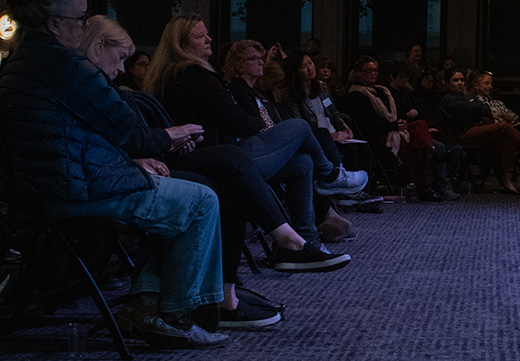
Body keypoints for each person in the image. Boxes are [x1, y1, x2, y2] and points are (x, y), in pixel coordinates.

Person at [78, 16, 355, 330]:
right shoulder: (187, 74)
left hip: (168, 156)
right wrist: (160, 144)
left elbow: (117, 137)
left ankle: (259, 267)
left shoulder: (106, 82)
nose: (124, 68)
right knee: (287, 136)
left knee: (290, 162)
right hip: (137, 170)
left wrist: (157, 146)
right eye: (200, 35)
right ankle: (306, 216)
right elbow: (233, 120)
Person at [0, 0, 230, 349]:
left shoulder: (20, 64)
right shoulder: (64, 67)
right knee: (202, 200)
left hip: (47, 186)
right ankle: (175, 314)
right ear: (55, 23)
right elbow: (129, 132)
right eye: (81, 18)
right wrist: (172, 135)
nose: (85, 25)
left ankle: (145, 304)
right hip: (77, 189)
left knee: (181, 197)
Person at [145, 16, 368, 242]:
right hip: (222, 156)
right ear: (180, 44)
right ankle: (330, 175)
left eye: (207, 34)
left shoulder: (181, 75)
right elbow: (238, 120)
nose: (209, 39)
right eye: (200, 36)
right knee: (300, 127)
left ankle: (306, 241)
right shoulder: (194, 76)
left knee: (302, 163)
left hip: (218, 151)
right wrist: (257, 124)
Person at [344, 56, 457, 201]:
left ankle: (426, 172)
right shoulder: (357, 95)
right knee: (421, 145)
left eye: (375, 70)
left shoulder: (383, 91)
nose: (373, 73)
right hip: (378, 136)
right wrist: (394, 125)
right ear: (358, 73)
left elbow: (398, 113)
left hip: (394, 129)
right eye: (368, 70)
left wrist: (400, 121)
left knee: (420, 125)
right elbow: (367, 124)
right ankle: (426, 182)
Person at [437, 67, 520, 194]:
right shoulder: (448, 99)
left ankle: (506, 181)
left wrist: (478, 109)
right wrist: (478, 109)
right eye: (455, 80)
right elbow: (475, 108)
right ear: (447, 83)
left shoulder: (464, 97)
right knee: (504, 127)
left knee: (508, 142)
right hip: (460, 135)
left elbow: (481, 110)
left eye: (462, 80)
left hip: (473, 130)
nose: (459, 83)